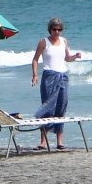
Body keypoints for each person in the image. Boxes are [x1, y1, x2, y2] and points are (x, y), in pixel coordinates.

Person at [30, 17, 82, 150]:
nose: (57, 32)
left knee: (61, 105)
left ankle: (60, 141)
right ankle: (43, 141)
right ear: (50, 29)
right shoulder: (43, 42)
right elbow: (35, 59)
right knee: (47, 106)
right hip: (49, 75)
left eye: (59, 29)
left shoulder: (64, 41)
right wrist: (35, 75)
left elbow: (67, 58)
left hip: (63, 75)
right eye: (54, 29)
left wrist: (75, 56)